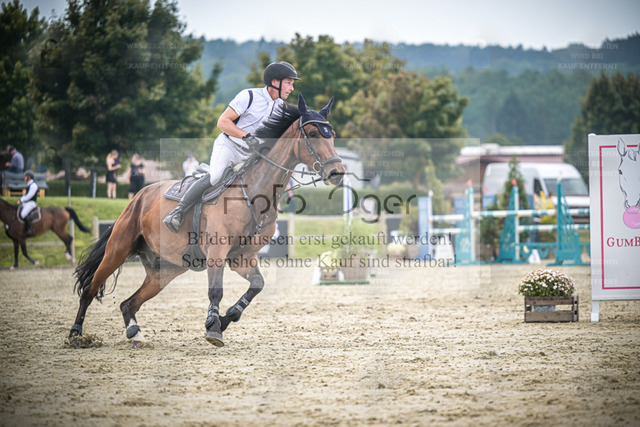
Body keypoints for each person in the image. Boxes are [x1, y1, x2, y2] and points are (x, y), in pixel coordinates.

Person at [163, 61, 300, 232]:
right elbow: (222, 122)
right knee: (215, 177)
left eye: (292, 84)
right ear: (275, 82)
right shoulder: (249, 96)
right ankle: (178, 211)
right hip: (229, 146)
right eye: (288, 83)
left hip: (252, 154)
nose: (291, 88)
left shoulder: (280, 106)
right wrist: (246, 136)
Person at [17, 171, 38, 236]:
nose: (24, 177)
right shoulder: (29, 184)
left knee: (23, 214)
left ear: (29, 177)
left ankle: (30, 229)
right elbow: (26, 195)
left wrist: (21, 200)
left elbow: (29, 196)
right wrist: (21, 199)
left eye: (26, 176)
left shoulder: (33, 185)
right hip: (27, 203)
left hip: (31, 203)